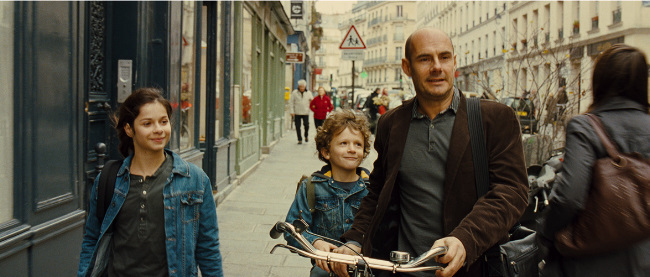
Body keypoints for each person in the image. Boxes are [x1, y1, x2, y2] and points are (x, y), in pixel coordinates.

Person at [330, 28, 529, 277]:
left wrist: (465, 239)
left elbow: (512, 192)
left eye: (444, 57)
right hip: (401, 270)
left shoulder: (494, 119)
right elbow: (378, 193)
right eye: (425, 59)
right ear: (407, 67)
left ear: (454, 62)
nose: (437, 67)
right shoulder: (391, 124)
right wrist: (355, 241)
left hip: (471, 268)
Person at [78, 88, 223, 277]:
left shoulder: (194, 180)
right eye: (147, 123)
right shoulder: (109, 179)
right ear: (129, 129)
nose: (158, 130)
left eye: (163, 122)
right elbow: (92, 239)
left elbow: (208, 248)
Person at [538, 44, 650, 276]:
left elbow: (569, 198)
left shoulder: (586, 127)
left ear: (600, 81)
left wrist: (546, 235)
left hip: (588, 260)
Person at [284, 109, 372, 277]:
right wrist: (315, 243)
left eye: (358, 144)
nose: (352, 149)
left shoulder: (372, 188)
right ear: (326, 152)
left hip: (363, 270)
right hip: (325, 271)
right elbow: (292, 229)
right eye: (343, 143)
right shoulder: (311, 187)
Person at [290, 79, 314, 144]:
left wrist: (312, 108)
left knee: (306, 125)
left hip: (305, 112)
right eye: (301, 87)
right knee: (297, 126)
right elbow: (291, 102)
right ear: (298, 86)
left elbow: (312, 101)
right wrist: (292, 111)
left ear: (305, 86)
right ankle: (299, 139)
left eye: (303, 87)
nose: (302, 88)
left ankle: (306, 135)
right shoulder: (294, 93)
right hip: (297, 112)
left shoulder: (308, 93)